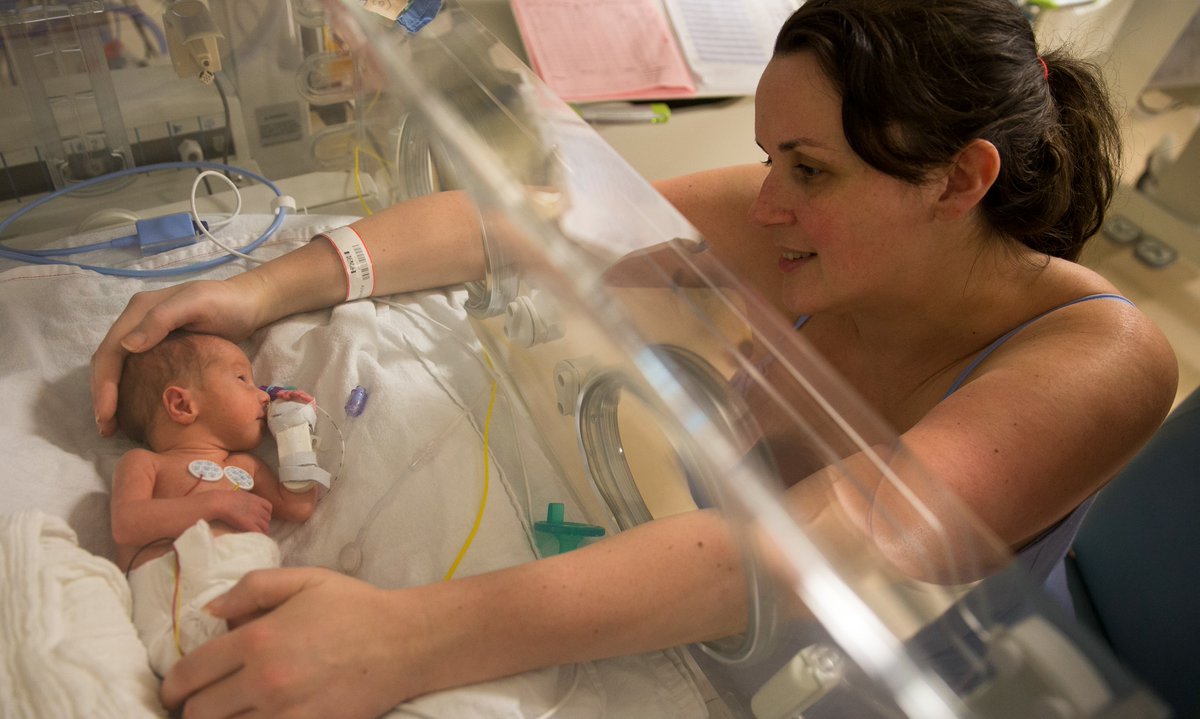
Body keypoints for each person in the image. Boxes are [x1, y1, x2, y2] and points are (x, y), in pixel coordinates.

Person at [90, 0, 1177, 716]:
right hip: (723, 605)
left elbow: (826, 539)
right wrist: (258, 286)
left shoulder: (1101, 357)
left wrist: (406, 638)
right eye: (766, 157)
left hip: (896, 674)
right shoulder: (815, 232)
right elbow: (523, 221)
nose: (764, 202)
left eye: (807, 169)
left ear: (959, 180)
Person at [110, 331, 318, 677]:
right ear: (182, 404)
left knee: (314, 610)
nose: (263, 396)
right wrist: (216, 504)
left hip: (248, 579)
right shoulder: (144, 463)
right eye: (242, 379)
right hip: (181, 590)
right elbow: (127, 523)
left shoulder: (245, 466)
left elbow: (299, 507)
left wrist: (294, 433)